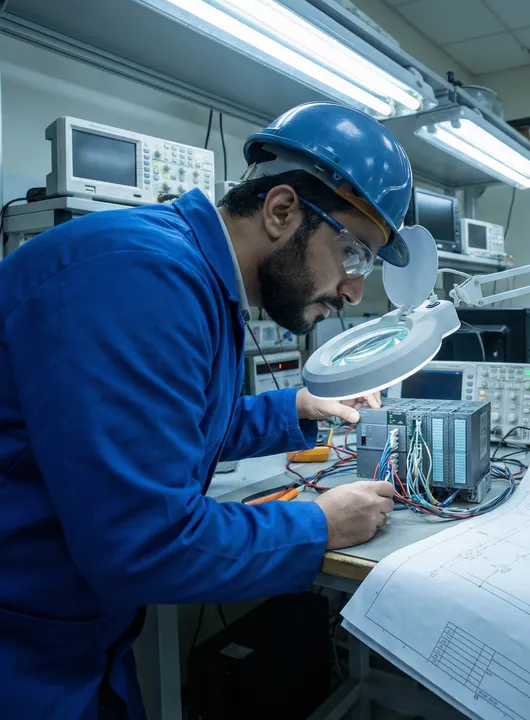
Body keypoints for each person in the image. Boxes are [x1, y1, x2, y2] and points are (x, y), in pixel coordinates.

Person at [0, 102, 412, 719]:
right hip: (23, 646)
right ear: (281, 211)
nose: (355, 289)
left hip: (73, 631)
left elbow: (179, 429)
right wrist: (320, 525)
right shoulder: (142, 279)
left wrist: (299, 407)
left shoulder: (197, 278)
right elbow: (146, 543)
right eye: (354, 254)